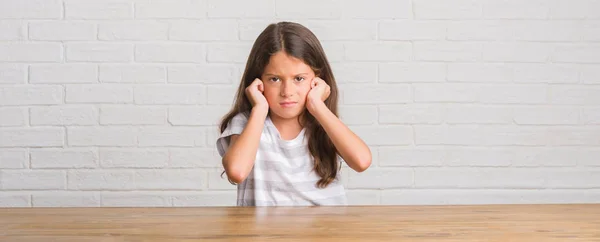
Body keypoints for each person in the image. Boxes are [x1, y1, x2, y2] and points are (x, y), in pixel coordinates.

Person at [216, 21, 371, 206]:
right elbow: (237, 172)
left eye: (299, 79)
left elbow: (361, 162)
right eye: (274, 79)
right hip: (265, 234)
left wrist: (318, 106)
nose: (287, 91)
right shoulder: (247, 123)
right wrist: (259, 109)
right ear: (257, 82)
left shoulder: (323, 121)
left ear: (317, 80)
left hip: (325, 231)